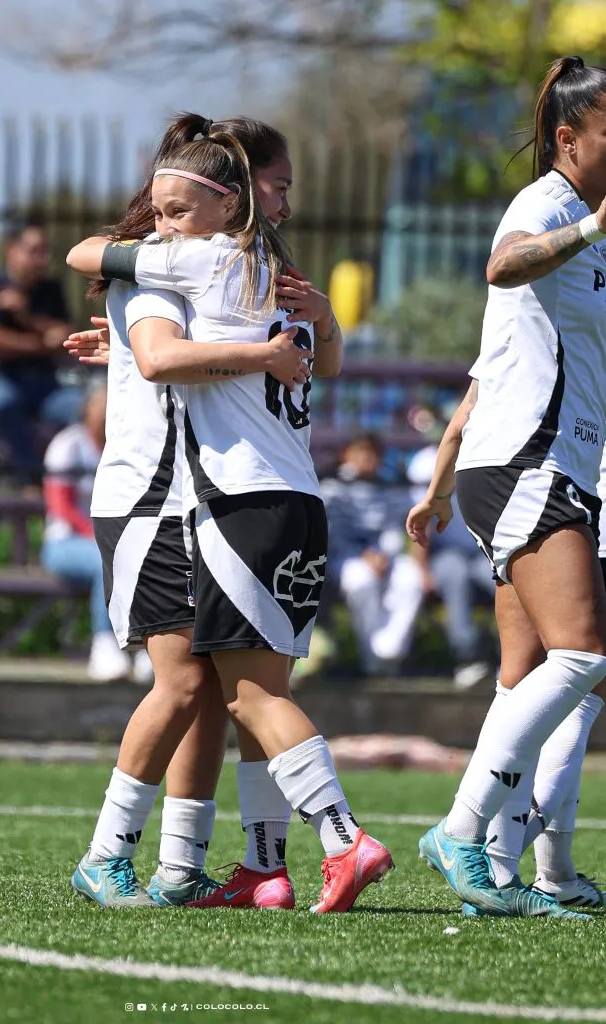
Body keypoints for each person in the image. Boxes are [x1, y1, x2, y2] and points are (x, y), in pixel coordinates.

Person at [69, 116, 393, 914]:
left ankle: (172, 859)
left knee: (217, 691)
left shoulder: (202, 265)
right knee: (208, 689)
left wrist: (145, 343)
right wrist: (305, 330)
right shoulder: (243, 268)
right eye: (275, 186)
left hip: (219, 496)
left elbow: (154, 345)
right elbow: (158, 356)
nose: (282, 203)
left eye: (178, 207)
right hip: (185, 498)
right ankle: (215, 863)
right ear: (241, 189)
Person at [409, 56, 606, 919]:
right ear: (570, 139)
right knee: (583, 656)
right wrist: (595, 225)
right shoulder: (549, 205)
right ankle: (461, 831)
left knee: (534, 668)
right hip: (528, 458)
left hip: (551, 458)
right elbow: (502, 265)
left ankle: (503, 858)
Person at [0, 218, 80, 488]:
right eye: (34, 250)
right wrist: (41, 342)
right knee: (0, 402)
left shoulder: (51, 289)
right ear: (12, 251)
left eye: (44, 251)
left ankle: (75, 487)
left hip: (44, 386)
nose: (42, 258)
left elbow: (65, 336)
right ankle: (30, 481)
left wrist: (25, 316)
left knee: (85, 410)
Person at [41, 384, 134, 682]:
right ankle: (104, 644)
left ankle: (143, 649)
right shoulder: (68, 444)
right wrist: (103, 538)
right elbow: (61, 507)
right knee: (104, 561)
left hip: (115, 540)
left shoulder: (127, 445)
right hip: (65, 542)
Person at [324, 433, 425, 675]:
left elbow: (393, 527)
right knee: (361, 581)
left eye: (372, 453)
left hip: (384, 558)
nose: (367, 458)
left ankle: (389, 652)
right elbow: (332, 533)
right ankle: (372, 659)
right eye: (360, 452)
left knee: (411, 579)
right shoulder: (332, 487)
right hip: (346, 559)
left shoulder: (387, 486)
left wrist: (383, 555)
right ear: (345, 455)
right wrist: (361, 555)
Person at [407, 443, 497, 689]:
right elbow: (420, 522)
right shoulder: (425, 462)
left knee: (501, 579)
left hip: (482, 553)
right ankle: (467, 657)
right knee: (455, 572)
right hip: (444, 554)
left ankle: (511, 659)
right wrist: (422, 569)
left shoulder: (485, 450)